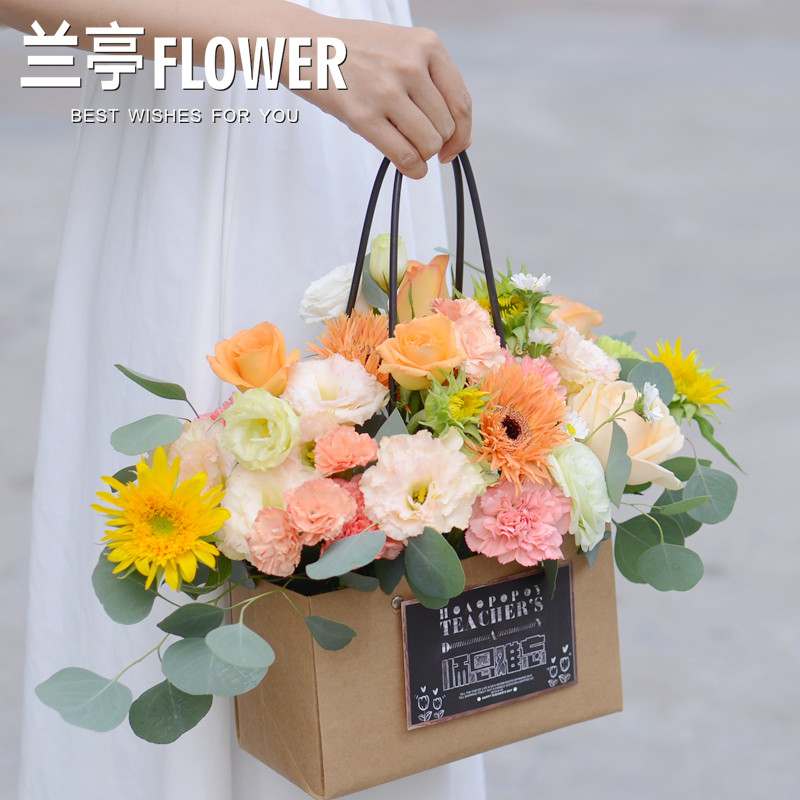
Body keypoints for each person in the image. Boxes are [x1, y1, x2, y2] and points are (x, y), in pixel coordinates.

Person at [2, 1, 487, 798]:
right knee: (197, 529)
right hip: (213, 117)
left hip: (366, 117)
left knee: (396, 549)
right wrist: (307, 45)